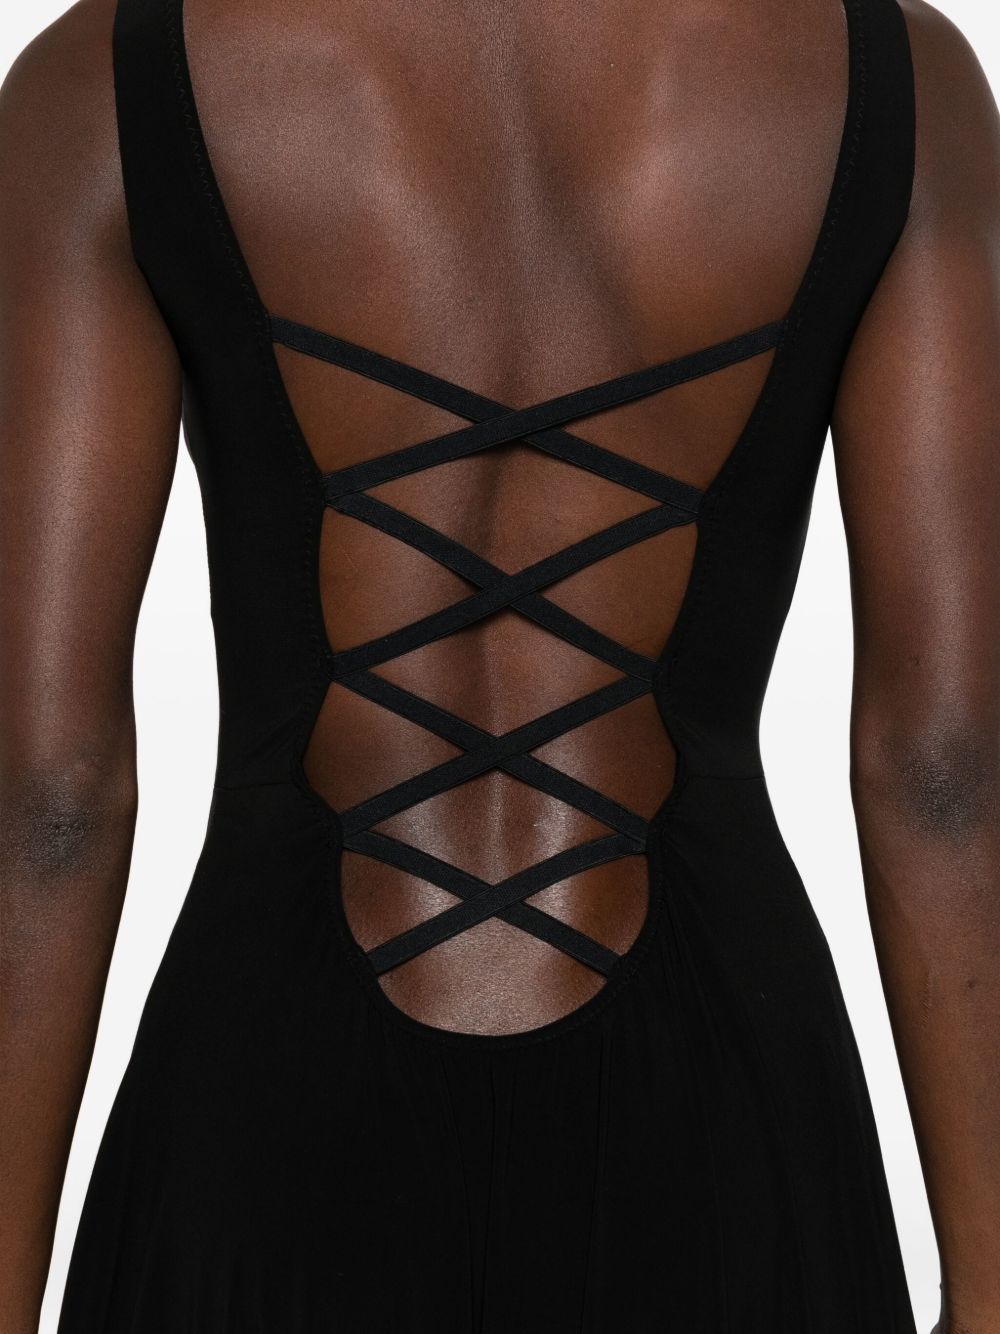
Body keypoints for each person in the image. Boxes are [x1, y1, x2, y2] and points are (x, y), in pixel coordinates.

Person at [1, 0, 998, 1329]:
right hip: (721, 1122)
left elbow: (48, 795)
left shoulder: (105, 80)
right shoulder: (897, 79)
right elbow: (944, 768)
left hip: (269, 1119)